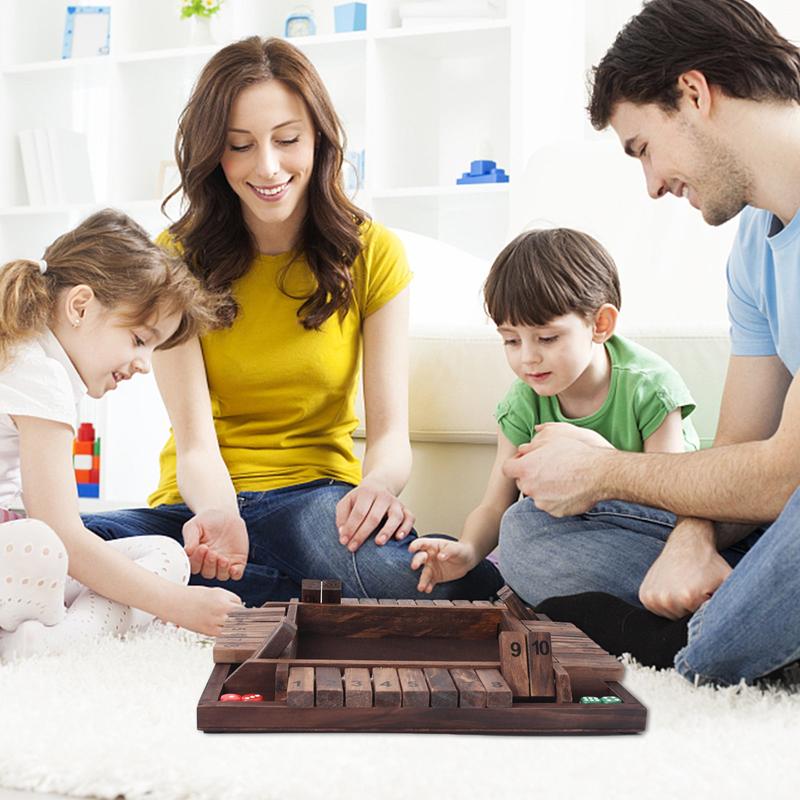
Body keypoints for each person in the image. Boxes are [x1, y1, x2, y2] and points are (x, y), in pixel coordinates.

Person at [82, 37, 502, 604]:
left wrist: (377, 488)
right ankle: (266, 589)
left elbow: (389, 437)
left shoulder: (371, 252)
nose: (268, 167)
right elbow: (196, 444)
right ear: (213, 153)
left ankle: (206, 588)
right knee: (71, 543)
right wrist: (219, 516)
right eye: (240, 146)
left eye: (287, 140)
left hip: (316, 503)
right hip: (203, 504)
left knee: (411, 576)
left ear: (319, 140)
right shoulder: (176, 260)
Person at [500, 0, 800, 686]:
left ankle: (704, 645)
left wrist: (606, 471)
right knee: (530, 533)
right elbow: (737, 452)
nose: (654, 184)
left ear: (693, 95)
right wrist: (692, 541)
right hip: (777, 511)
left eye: (643, 148)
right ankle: (750, 628)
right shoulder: (755, 247)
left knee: (724, 639)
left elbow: (783, 473)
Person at [0, 209, 241, 660]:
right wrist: (179, 606)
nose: (144, 364)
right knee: (44, 550)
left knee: (164, 555)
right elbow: (63, 534)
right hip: (22, 551)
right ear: (80, 305)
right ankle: (42, 639)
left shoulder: (32, 358)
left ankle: (39, 636)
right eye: (138, 340)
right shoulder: (38, 373)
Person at [409, 228, 698, 592]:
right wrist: (466, 551)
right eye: (511, 340)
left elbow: (670, 501)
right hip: (576, 539)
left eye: (547, 338)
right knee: (520, 527)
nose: (527, 357)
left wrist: (597, 459)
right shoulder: (522, 402)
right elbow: (495, 506)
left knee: (525, 535)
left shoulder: (650, 387)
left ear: (600, 324)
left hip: (654, 536)